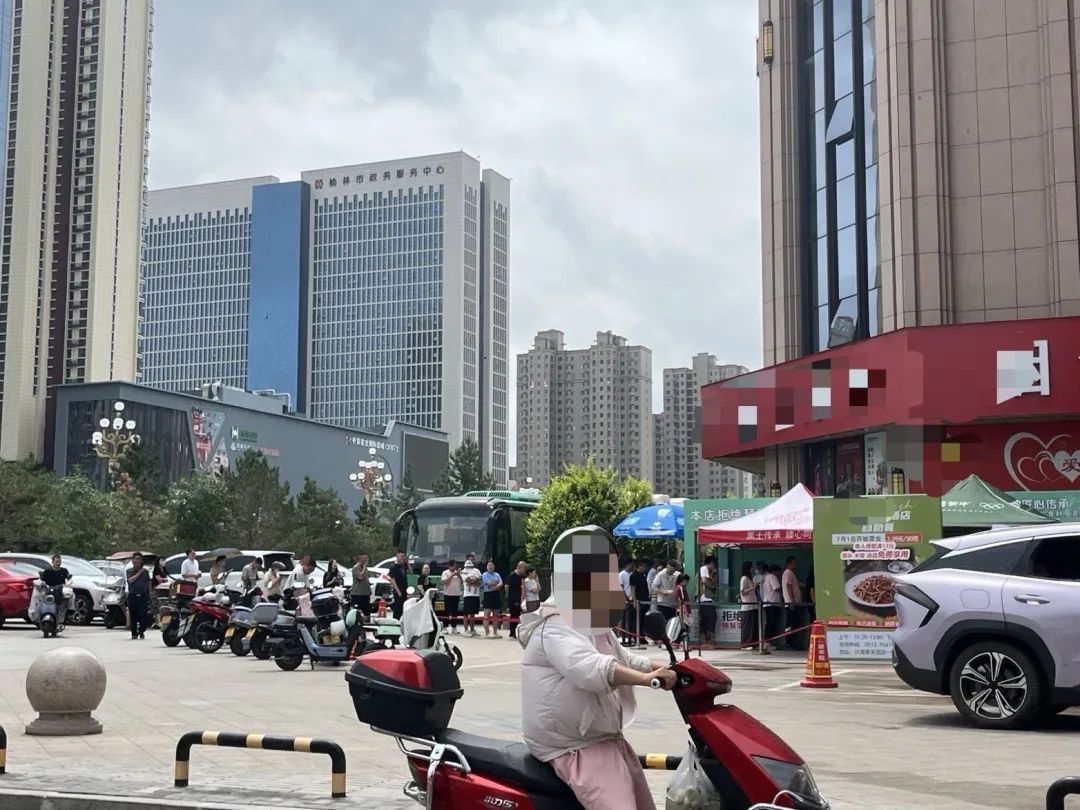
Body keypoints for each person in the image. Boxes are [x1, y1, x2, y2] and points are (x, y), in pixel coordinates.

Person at [517, 527, 676, 810]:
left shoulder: (588, 619)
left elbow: (624, 658)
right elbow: (589, 668)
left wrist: (670, 669)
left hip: (600, 739)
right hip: (571, 745)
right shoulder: (556, 624)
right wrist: (645, 679)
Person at [38, 554, 72, 626]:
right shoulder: (47, 571)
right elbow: (41, 581)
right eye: (56, 561)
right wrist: (41, 584)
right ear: (52, 562)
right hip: (48, 591)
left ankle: (66, 615)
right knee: (39, 599)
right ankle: (39, 615)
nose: (58, 563)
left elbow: (68, 580)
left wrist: (68, 584)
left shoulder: (64, 571)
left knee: (70, 597)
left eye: (59, 561)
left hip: (60, 592)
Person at [126, 553, 152, 640]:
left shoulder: (145, 571)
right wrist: (139, 573)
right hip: (132, 595)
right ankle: (134, 633)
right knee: (133, 615)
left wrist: (150, 593)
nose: (137, 561)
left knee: (143, 615)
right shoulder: (129, 571)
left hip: (143, 595)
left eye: (138, 559)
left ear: (141, 561)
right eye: (135, 559)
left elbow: (148, 582)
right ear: (133, 561)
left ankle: (141, 631)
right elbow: (130, 580)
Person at [782, 556, 803, 650]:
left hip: (794, 602)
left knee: (794, 622)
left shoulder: (791, 573)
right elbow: (788, 586)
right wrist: (792, 600)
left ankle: (792, 642)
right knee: (791, 622)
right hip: (791, 603)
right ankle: (789, 642)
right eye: (794, 563)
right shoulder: (788, 573)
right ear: (790, 563)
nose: (796, 565)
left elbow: (794, 585)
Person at [630, 560, 651, 649]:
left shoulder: (643, 575)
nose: (645, 568)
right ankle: (636, 637)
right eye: (644, 566)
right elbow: (633, 589)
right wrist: (634, 601)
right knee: (637, 620)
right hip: (638, 601)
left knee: (642, 620)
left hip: (645, 600)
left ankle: (641, 636)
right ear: (640, 566)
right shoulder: (633, 576)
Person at [762, 564, 784, 651]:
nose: (779, 574)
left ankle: (768, 642)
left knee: (770, 623)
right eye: (779, 572)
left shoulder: (766, 577)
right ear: (775, 571)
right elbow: (776, 588)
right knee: (771, 624)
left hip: (769, 603)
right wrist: (784, 591)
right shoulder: (772, 577)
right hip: (772, 603)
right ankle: (767, 643)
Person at [698, 555, 718, 646]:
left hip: (708, 598)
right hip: (705, 598)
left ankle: (706, 639)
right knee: (710, 618)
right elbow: (704, 581)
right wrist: (712, 586)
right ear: (711, 563)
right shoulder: (704, 568)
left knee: (707, 619)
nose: (714, 567)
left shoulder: (709, 571)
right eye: (714, 565)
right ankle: (706, 639)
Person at [481, 560, 504, 638]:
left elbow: (501, 583)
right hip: (488, 595)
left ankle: (495, 632)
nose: (490, 567)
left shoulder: (497, 574)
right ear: (487, 567)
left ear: (494, 567)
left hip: (496, 595)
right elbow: (489, 584)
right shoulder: (484, 574)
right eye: (489, 565)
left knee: (496, 615)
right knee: (486, 615)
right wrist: (496, 584)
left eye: (492, 565)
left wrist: (495, 585)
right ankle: (487, 633)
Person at [739, 561, 759, 649]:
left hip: (753, 605)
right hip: (747, 606)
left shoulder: (749, 578)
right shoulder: (744, 578)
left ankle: (753, 643)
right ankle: (745, 644)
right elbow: (743, 592)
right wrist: (752, 588)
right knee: (747, 627)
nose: (752, 569)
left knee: (753, 627)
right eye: (751, 567)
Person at [505, 561, 527, 639]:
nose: (524, 570)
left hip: (519, 598)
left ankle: (516, 632)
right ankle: (512, 633)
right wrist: (508, 595)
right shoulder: (512, 575)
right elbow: (506, 586)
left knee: (517, 615)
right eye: (524, 569)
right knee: (513, 615)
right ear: (520, 567)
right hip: (513, 598)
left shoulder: (521, 576)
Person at [441, 559, 463, 633]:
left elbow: (462, 582)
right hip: (448, 594)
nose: (455, 567)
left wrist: (459, 575)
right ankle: (445, 627)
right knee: (447, 611)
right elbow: (445, 582)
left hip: (456, 594)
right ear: (450, 566)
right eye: (453, 566)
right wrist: (452, 575)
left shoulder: (458, 573)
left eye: (455, 565)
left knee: (455, 612)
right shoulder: (445, 572)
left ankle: (454, 627)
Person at [461, 560, 482, 636]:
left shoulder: (476, 570)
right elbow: (467, 581)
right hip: (467, 595)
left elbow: (479, 580)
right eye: (467, 566)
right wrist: (474, 581)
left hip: (476, 595)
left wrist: (473, 581)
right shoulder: (463, 572)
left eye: (470, 566)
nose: (469, 567)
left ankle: (472, 630)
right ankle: (465, 630)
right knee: (466, 614)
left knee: (473, 614)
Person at [617, 559, 635, 645]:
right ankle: (623, 639)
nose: (633, 566)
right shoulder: (621, 575)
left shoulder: (631, 574)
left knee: (631, 620)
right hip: (625, 600)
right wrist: (626, 598)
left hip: (631, 599)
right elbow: (620, 587)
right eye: (632, 564)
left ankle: (630, 639)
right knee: (624, 620)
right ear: (628, 564)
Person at [387, 550, 409, 620]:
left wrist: (408, 563)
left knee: (403, 607)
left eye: (403, 556)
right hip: (398, 590)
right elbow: (392, 580)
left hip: (404, 589)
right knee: (397, 608)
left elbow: (411, 572)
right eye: (401, 556)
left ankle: (402, 620)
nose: (403, 558)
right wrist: (398, 592)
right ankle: (396, 620)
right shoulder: (393, 567)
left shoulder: (404, 566)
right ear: (397, 556)